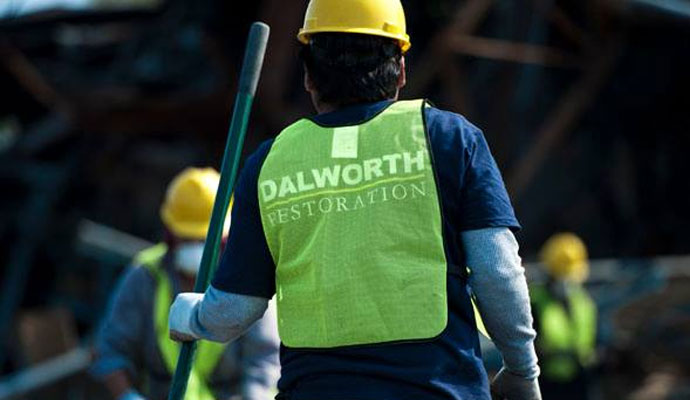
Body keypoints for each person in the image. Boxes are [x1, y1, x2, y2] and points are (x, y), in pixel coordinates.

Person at [168, 1, 541, 399]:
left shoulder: (269, 163)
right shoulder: (450, 140)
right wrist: (521, 369)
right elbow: (498, 273)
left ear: (309, 75)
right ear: (400, 69)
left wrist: (194, 317)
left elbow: (236, 310)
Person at [91, 167, 280, 400]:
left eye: (203, 239)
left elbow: (266, 359)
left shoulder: (247, 277)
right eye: (187, 238)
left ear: (225, 237)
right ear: (170, 233)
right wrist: (128, 396)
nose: (195, 246)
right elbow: (110, 351)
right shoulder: (145, 275)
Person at [531, 233, 597, 400]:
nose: (567, 281)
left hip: (580, 381)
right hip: (546, 384)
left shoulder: (583, 302)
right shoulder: (535, 301)